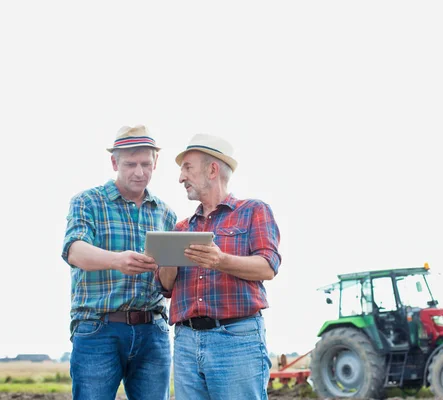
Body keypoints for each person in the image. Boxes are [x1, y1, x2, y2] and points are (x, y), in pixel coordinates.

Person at [158, 133, 281, 400]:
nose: (181, 177)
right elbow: (165, 287)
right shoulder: (181, 228)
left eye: (187, 167)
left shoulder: (253, 211)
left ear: (212, 169)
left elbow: (267, 267)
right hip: (186, 342)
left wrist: (221, 260)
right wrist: (167, 262)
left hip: (236, 339)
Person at [61, 125, 176, 400]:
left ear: (156, 163)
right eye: (130, 164)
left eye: (146, 164)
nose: (139, 172)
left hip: (153, 331)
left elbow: (168, 282)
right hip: (98, 329)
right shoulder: (87, 202)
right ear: (114, 162)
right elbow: (74, 250)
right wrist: (117, 260)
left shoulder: (166, 213)